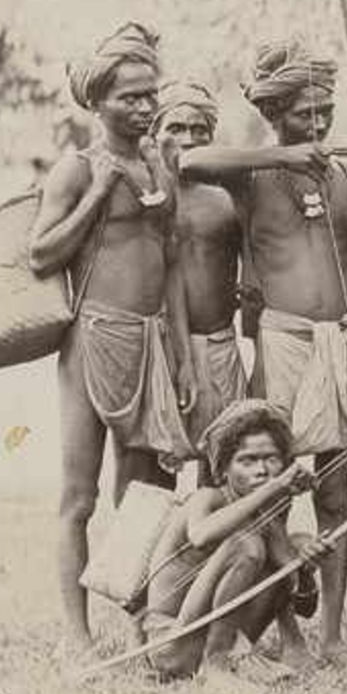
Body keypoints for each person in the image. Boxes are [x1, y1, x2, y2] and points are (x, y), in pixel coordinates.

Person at [179, 40, 347, 658]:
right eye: (302, 113)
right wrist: (286, 153)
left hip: (337, 341)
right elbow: (188, 161)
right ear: (275, 113)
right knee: (274, 491)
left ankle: (333, 633)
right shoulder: (253, 174)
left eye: (325, 112)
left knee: (335, 496)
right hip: (282, 340)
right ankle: (285, 630)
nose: (317, 124)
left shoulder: (343, 175)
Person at [30, 22, 194, 651]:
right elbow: (43, 253)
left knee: (144, 493)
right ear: (96, 103)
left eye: (151, 94)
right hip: (93, 340)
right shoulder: (77, 167)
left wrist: (182, 356)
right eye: (130, 97)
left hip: (151, 341)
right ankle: (76, 635)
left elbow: (173, 263)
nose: (146, 107)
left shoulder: (159, 161)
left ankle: (139, 623)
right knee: (79, 495)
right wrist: (97, 193)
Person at [142, 401, 316, 682]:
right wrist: (275, 486)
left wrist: (306, 567)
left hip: (218, 637)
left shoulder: (267, 514)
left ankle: (234, 656)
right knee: (246, 545)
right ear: (223, 470)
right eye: (247, 460)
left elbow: (303, 603)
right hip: (173, 647)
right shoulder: (206, 499)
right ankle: (216, 665)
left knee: (292, 545)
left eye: (271, 459)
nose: (261, 470)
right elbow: (200, 536)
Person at [151, 80, 249, 461]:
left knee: (222, 463)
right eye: (175, 128)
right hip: (161, 350)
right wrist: (181, 361)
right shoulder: (143, 195)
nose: (188, 139)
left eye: (199, 130)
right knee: (155, 472)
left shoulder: (226, 197)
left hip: (220, 344)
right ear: (154, 133)